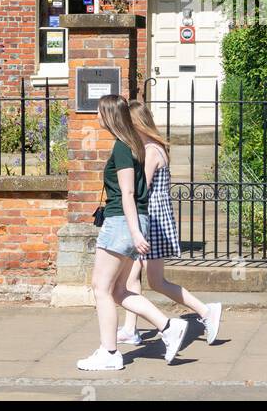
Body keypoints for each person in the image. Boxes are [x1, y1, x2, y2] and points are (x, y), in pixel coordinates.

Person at [77, 95, 187, 371]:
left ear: (109, 116)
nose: (96, 118)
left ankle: (110, 352)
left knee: (101, 288)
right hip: (127, 223)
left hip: (120, 223)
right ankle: (168, 327)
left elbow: (128, 192)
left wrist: (136, 233)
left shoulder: (123, 146)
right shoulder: (133, 144)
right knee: (117, 290)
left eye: (100, 113)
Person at [114, 99, 221, 348]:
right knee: (153, 281)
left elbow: (143, 188)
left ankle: (205, 312)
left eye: (129, 125)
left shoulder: (150, 151)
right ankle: (133, 328)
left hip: (149, 218)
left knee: (135, 278)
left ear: (137, 124)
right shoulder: (157, 147)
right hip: (159, 218)